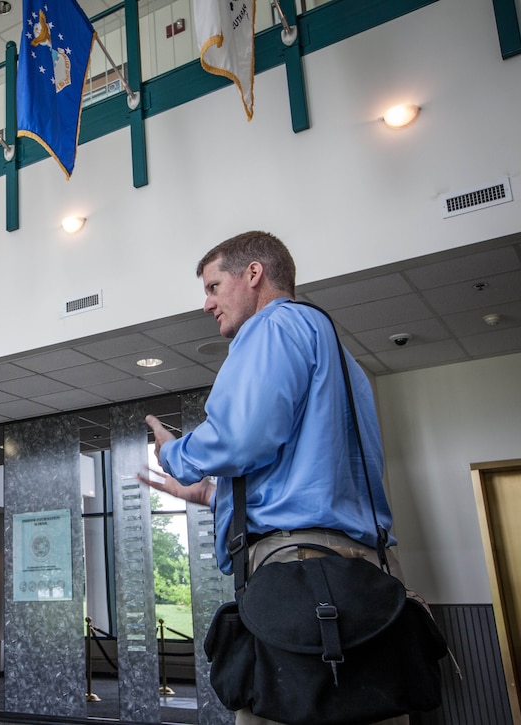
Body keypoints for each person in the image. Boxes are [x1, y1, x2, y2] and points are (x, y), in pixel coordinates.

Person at [141, 231, 407, 725]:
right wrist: (211, 493)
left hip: (303, 577)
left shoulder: (273, 326)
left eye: (214, 286)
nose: (207, 304)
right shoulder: (343, 360)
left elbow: (241, 438)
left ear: (254, 274)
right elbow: (308, 476)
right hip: (362, 578)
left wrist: (174, 453)